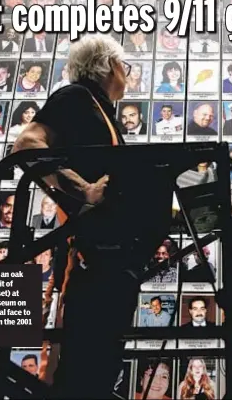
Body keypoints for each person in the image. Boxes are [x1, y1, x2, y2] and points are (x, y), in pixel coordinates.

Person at [13, 34, 162, 399]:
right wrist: (85, 190)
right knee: (82, 364)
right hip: (89, 257)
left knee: (100, 360)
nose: (126, 74)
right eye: (124, 66)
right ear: (110, 66)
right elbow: (27, 145)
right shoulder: (75, 97)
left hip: (111, 256)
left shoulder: (100, 111)